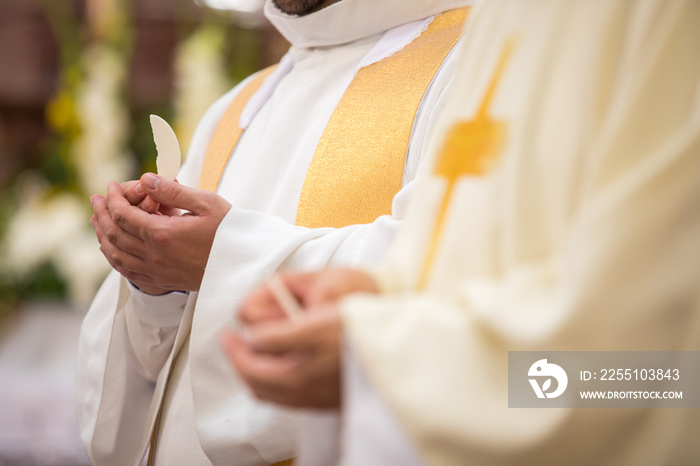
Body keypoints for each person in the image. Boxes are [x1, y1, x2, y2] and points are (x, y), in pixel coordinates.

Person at [223, 0, 700, 464]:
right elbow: (476, 244)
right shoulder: (503, 16)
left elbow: (660, 377)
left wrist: (383, 362)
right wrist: (380, 290)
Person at [76, 0, 474, 465]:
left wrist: (223, 258)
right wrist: (151, 278)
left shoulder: (476, 66)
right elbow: (147, 389)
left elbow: (455, 269)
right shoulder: (242, 103)